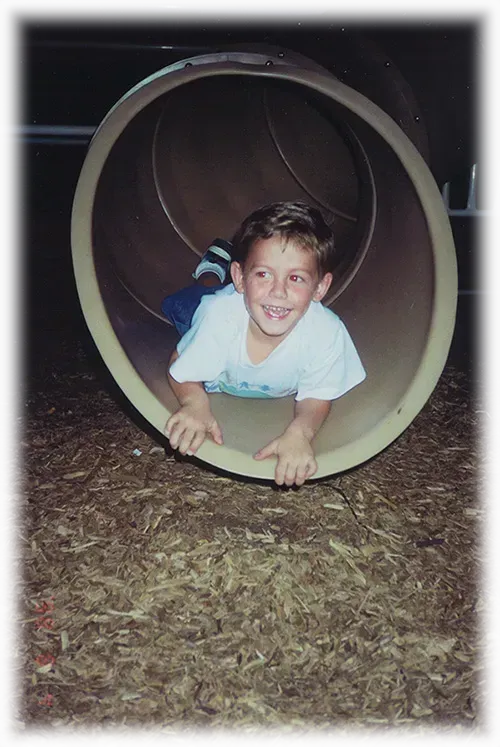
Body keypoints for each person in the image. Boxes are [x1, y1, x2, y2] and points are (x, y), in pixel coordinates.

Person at [161, 201, 366, 487]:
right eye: (263, 274)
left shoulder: (326, 333)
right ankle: (212, 268)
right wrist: (194, 402)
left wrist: (300, 433)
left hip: (247, 304)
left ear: (320, 287)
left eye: (295, 278)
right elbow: (177, 363)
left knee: (246, 300)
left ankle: (228, 272)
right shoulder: (218, 318)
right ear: (241, 278)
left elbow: (319, 394)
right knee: (187, 303)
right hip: (217, 309)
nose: (278, 291)